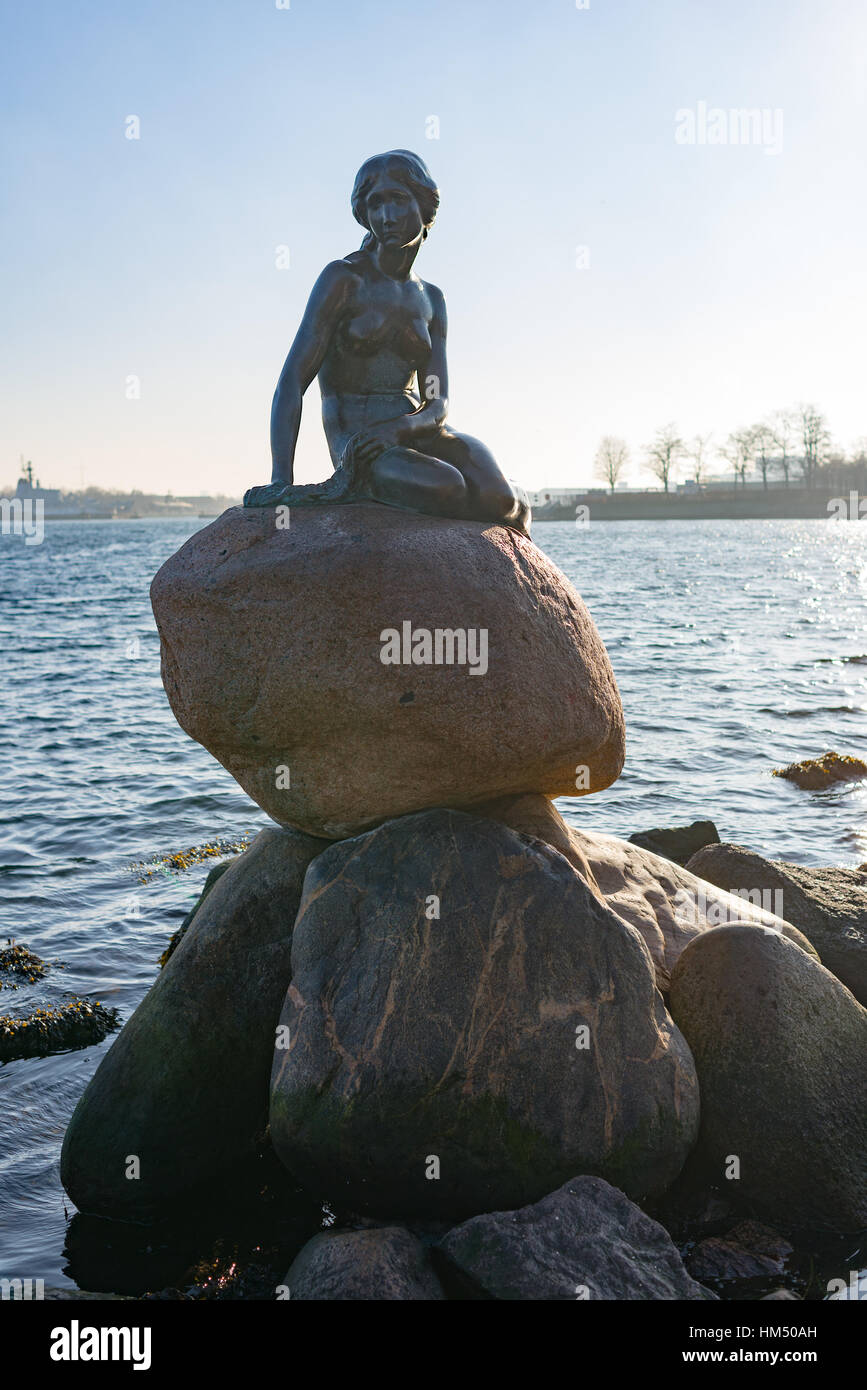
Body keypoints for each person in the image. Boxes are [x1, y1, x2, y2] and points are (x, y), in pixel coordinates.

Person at [244, 150, 530, 535]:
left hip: (417, 429)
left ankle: (511, 502)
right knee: (446, 486)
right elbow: (291, 382)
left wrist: (397, 429)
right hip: (360, 441)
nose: (386, 216)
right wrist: (281, 479)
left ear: (423, 205)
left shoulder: (432, 299)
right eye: (375, 204)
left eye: (397, 200)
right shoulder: (343, 279)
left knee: (503, 500)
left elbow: (438, 402)